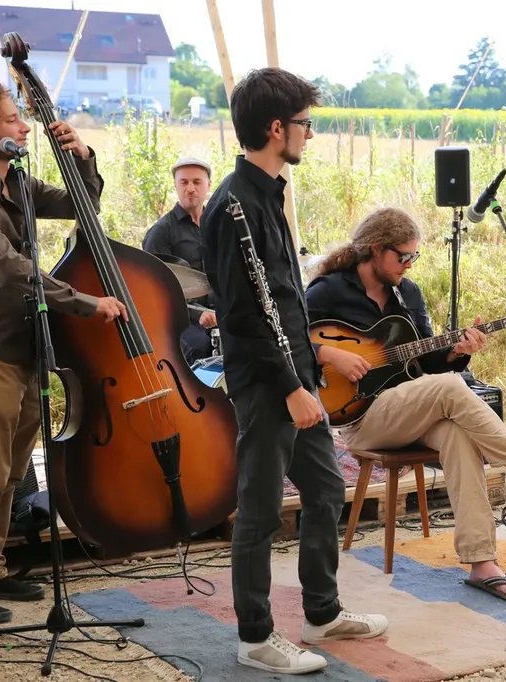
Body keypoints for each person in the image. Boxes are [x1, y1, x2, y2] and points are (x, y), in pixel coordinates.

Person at [305, 207, 506, 603]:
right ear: (375, 249)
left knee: (457, 433)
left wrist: (456, 352)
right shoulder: (327, 291)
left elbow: (428, 363)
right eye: (403, 256)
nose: (409, 264)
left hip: (409, 409)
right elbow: (286, 341)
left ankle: (482, 563)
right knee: (449, 387)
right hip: (360, 418)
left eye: (414, 256)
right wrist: (328, 354)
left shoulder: (408, 294)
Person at [199, 67, 388, 675]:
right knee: (258, 511)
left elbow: (282, 302)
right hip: (266, 385)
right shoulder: (233, 206)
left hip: (295, 377)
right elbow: (243, 316)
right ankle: (255, 637)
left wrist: (310, 370)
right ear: (277, 128)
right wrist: (290, 389)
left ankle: (321, 613)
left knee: (326, 489)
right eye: (305, 123)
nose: (311, 133)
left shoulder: (268, 193)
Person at [0, 82, 128, 625]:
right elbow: (8, 268)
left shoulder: (20, 183)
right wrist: (83, 303)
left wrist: (83, 157)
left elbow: (84, 207)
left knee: (11, 473)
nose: (25, 127)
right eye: (12, 119)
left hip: (27, 348)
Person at [142, 156, 218, 364]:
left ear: (208, 185)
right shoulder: (160, 232)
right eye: (184, 182)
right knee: (200, 345)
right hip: (180, 319)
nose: (190, 188)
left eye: (197, 182)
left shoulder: (218, 225)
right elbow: (157, 291)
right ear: (176, 185)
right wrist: (197, 314)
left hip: (219, 313)